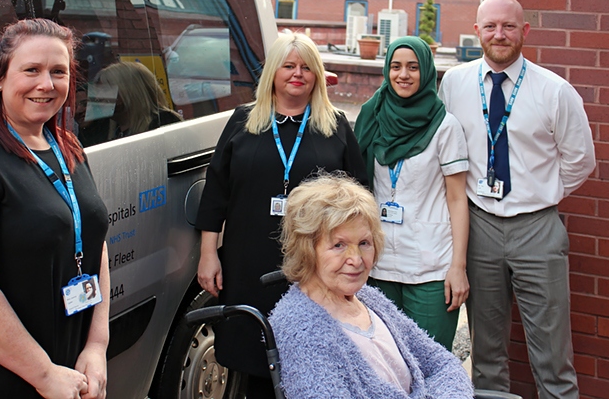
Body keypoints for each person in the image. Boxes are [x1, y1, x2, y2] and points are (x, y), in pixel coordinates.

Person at [438, 0, 596, 398]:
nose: (499, 34)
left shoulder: (555, 91)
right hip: (480, 228)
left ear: (524, 31)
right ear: (477, 32)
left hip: (537, 229)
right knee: (486, 356)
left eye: (509, 26)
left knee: (553, 358)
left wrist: (539, 193)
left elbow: (581, 160)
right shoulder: (454, 83)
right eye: (490, 26)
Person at [195, 32, 367, 397]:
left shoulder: (333, 125)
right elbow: (216, 192)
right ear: (273, 71)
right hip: (248, 262)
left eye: (306, 67)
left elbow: (360, 198)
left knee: (309, 360)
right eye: (289, 65)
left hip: (315, 266)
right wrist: (208, 254)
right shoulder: (244, 121)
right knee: (254, 360)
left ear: (317, 75)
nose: (297, 74)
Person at [268, 172, 473, 398]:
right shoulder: (301, 327)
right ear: (307, 251)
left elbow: (442, 365)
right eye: (338, 245)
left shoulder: (369, 298)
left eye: (364, 243)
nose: (356, 259)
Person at [0, 19, 109, 398]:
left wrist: (97, 345)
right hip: (11, 377)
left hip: (72, 371)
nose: (46, 84)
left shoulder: (67, 146)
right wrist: (43, 375)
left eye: (59, 72)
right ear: (0, 79)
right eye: (31, 70)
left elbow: (95, 243)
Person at [354, 36, 469, 351]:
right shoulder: (372, 116)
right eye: (395, 66)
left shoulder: (445, 126)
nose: (403, 75)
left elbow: (458, 199)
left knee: (428, 363)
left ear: (427, 72)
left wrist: (458, 267)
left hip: (430, 267)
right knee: (382, 362)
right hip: (378, 265)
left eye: (413, 67)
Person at [79, 61, 182, 145]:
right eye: (97, 91)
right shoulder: (107, 128)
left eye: (105, 90)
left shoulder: (163, 121)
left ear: (129, 91)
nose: (97, 98)